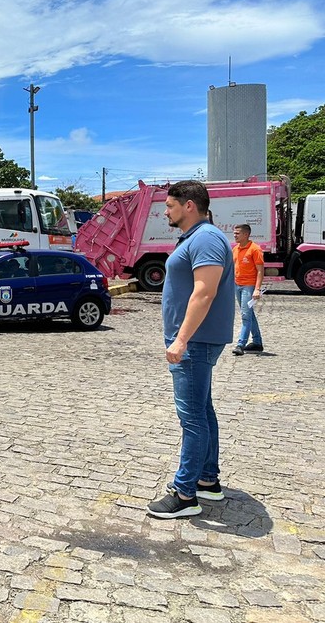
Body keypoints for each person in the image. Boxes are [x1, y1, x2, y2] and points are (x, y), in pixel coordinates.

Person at [147, 181, 235, 520]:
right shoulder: (197, 238)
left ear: (189, 206)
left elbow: (204, 292)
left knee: (192, 418)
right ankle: (207, 480)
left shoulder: (206, 238)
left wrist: (181, 339)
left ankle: (185, 494)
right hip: (195, 341)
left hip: (194, 343)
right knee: (203, 410)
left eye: (169, 206)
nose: (165, 212)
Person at [231, 224, 264, 355]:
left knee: (245, 316)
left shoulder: (255, 249)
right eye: (234, 233)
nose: (235, 235)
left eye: (237, 233)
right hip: (237, 284)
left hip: (249, 286)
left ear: (246, 234)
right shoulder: (236, 249)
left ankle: (240, 344)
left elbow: (260, 271)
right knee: (249, 314)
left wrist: (257, 289)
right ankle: (257, 342)